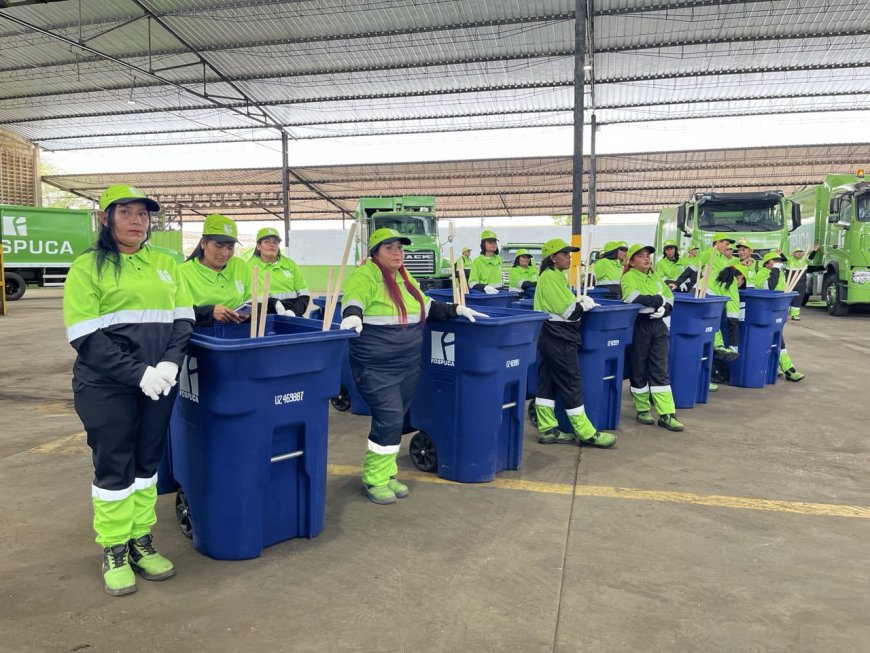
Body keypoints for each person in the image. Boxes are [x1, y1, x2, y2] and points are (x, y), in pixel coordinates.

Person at [63, 184, 194, 597]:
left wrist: (171, 362)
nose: (137, 221)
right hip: (106, 385)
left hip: (159, 382)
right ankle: (114, 548)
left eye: (143, 214)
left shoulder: (167, 264)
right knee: (114, 466)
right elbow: (85, 335)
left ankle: (141, 540)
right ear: (106, 219)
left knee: (147, 465)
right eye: (126, 213)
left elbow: (183, 319)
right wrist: (138, 373)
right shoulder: (88, 267)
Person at [339, 228, 487, 504]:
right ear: (375, 253)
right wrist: (352, 315)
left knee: (393, 421)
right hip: (376, 365)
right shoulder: (366, 274)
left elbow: (426, 306)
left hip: (407, 363)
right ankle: (374, 480)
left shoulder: (405, 280)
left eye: (399, 247)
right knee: (391, 417)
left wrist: (455, 309)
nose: (397, 253)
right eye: (389, 248)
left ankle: (388, 474)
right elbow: (355, 298)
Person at [533, 238, 616, 448]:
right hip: (559, 338)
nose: (570, 258)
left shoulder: (554, 277)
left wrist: (578, 302)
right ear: (553, 258)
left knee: (548, 382)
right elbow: (569, 312)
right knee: (571, 383)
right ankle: (586, 431)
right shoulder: (550, 278)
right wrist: (583, 306)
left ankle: (547, 429)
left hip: (550, 337)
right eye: (566, 254)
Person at [621, 244, 684, 431]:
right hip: (639, 324)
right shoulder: (628, 277)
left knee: (660, 368)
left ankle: (667, 413)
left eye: (647, 255)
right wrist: (658, 301)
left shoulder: (655, 276)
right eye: (640, 256)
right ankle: (642, 409)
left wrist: (665, 309)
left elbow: (670, 298)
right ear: (631, 262)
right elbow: (632, 298)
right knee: (638, 367)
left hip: (658, 325)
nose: (646, 258)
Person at [179, 214, 274, 328]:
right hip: (201, 339)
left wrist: (249, 311)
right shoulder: (182, 273)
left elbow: (256, 298)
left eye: (230, 247)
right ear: (203, 243)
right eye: (219, 245)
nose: (225, 253)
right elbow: (176, 313)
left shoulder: (240, 266)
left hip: (236, 336)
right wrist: (209, 312)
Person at [755, 252, 805, 381]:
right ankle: (788, 368)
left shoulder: (781, 275)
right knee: (777, 340)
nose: (778, 263)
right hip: (766, 313)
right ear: (766, 263)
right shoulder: (762, 274)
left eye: (779, 261)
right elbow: (769, 287)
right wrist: (776, 270)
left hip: (778, 312)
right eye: (774, 260)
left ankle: (776, 365)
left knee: (775, 339)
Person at [248, 226, 310, 317]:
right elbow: (251, 299)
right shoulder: (249, 267)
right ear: (258, 246)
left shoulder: (290, 264)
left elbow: (304, 295)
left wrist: (293, 312)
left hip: (291, 316)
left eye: (275, 242)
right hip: (265, 318)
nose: (272, 245)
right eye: (267, 241)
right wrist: (273, 304)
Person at [707, 261, 749, 361]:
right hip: (708, 305)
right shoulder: (732, 282)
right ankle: (718, 346)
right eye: (741, 285)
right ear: (740, 278)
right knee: (714, 322)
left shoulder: (715, 272)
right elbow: (733, 318)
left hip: (693, 299)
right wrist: (734, 348)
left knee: (709, 323)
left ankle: (717, 346)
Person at [468, 230, 504, 294]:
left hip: (499, 293)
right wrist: (484, 287)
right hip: (485, 295)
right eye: (490, 242)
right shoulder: (478, 261)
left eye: (495, 242)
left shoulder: (499, 259)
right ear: (483, 244)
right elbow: (471, 283)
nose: (493, 244)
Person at [785, 246, 809, 320]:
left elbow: (811, 257)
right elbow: (783, 258)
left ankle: (795, 315)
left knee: (798, 299)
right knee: (787, 298)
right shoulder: (789, 259)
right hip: (790, 283)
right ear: (793, 254)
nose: (799, 254)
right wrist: (780, 254)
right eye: (797, 252)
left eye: (800, 252)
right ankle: (784, 314)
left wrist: (814, 251)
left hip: (801, 283)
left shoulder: (804, 260)